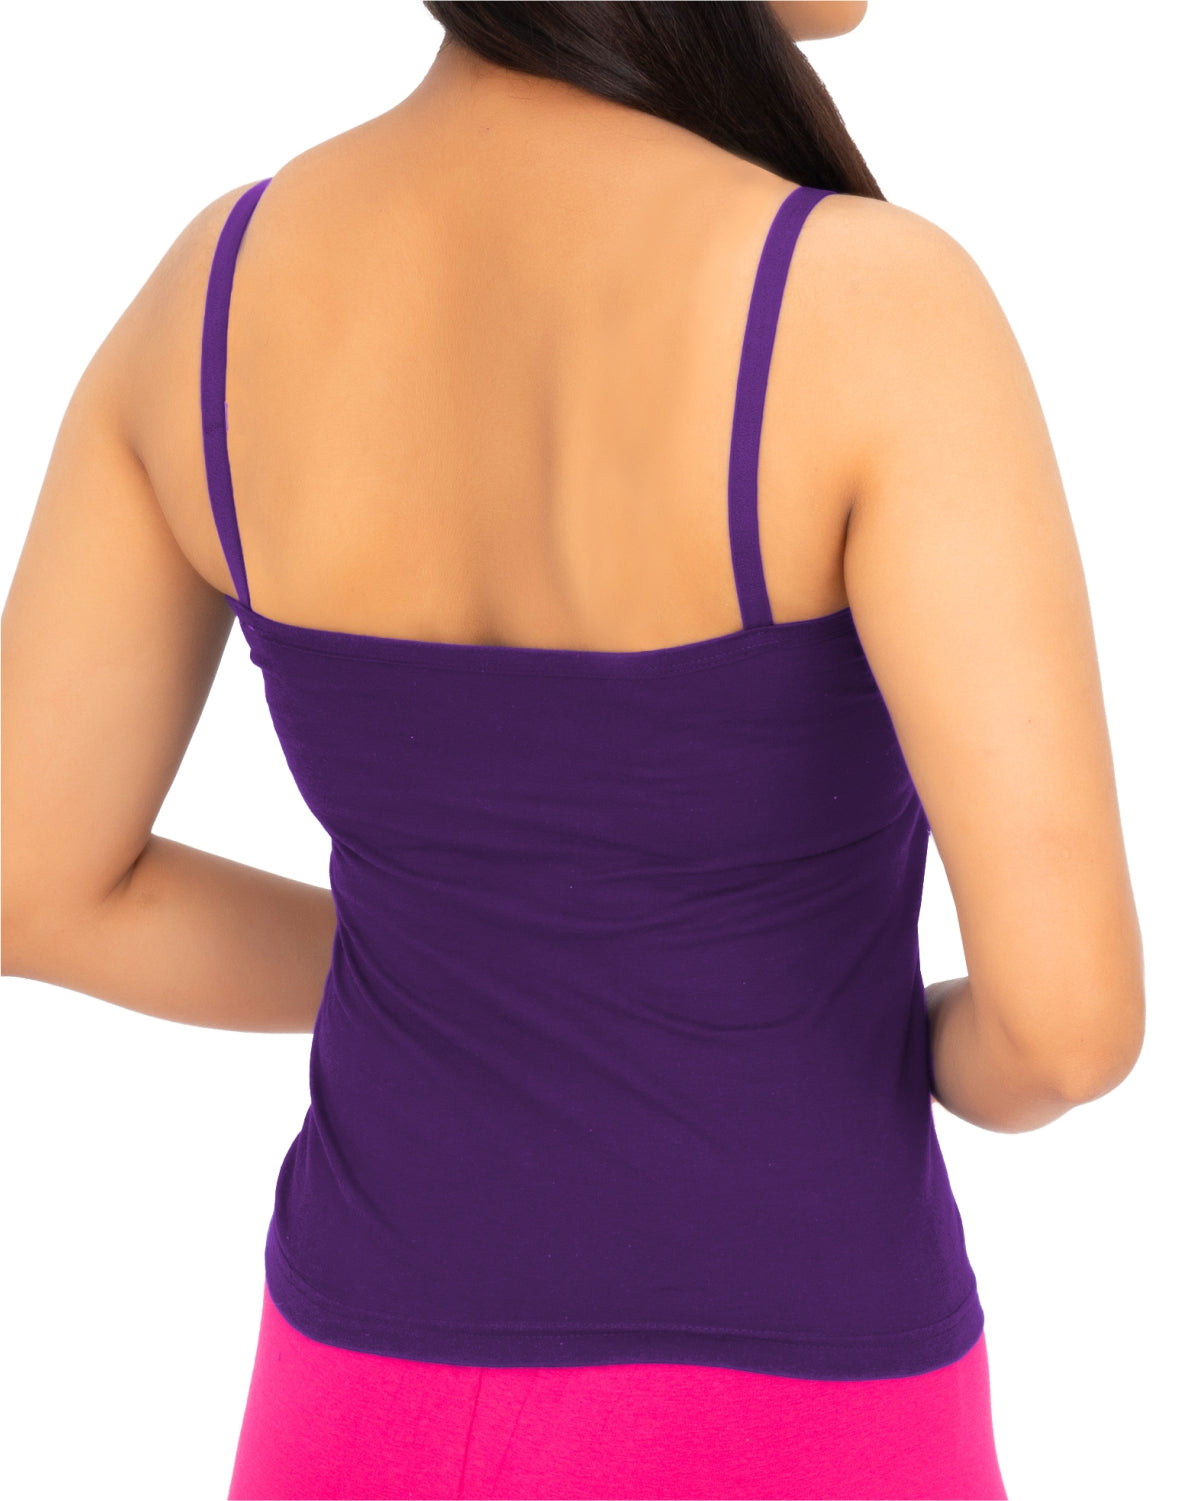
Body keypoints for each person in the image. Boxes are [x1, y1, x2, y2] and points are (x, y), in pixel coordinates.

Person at [0, 3, 1144, 1497]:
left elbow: (32, 886)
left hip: (357, 1403)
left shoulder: (214, 294)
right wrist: (898, 1038)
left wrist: (474, 966)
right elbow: (1064, 1029)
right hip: (801, 1405)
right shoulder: (869, 308)